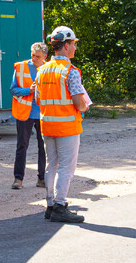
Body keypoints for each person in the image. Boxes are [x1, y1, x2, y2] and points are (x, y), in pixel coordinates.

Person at [35, 26, 93, 224]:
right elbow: (79, 102)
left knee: (52, 165)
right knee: (66, 168)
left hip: (47, 126)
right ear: (66, 46)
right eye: (74, 44)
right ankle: (60, 205)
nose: (75, 48)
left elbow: (38, 99)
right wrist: (85, 108)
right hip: (67, 127)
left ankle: (50, 205)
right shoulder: (71, 71)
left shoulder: (42, 70)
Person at [9, 41, 48, 190]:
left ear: (45, 56)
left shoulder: (49, 68)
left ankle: (42, 178)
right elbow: (13, 90)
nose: (34, 58)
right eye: (32, 55)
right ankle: (18, 179)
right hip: (25, 113)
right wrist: (28, 91)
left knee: (43, 146)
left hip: (43, 113)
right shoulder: (21, 67)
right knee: (22, 146)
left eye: (38, 56)